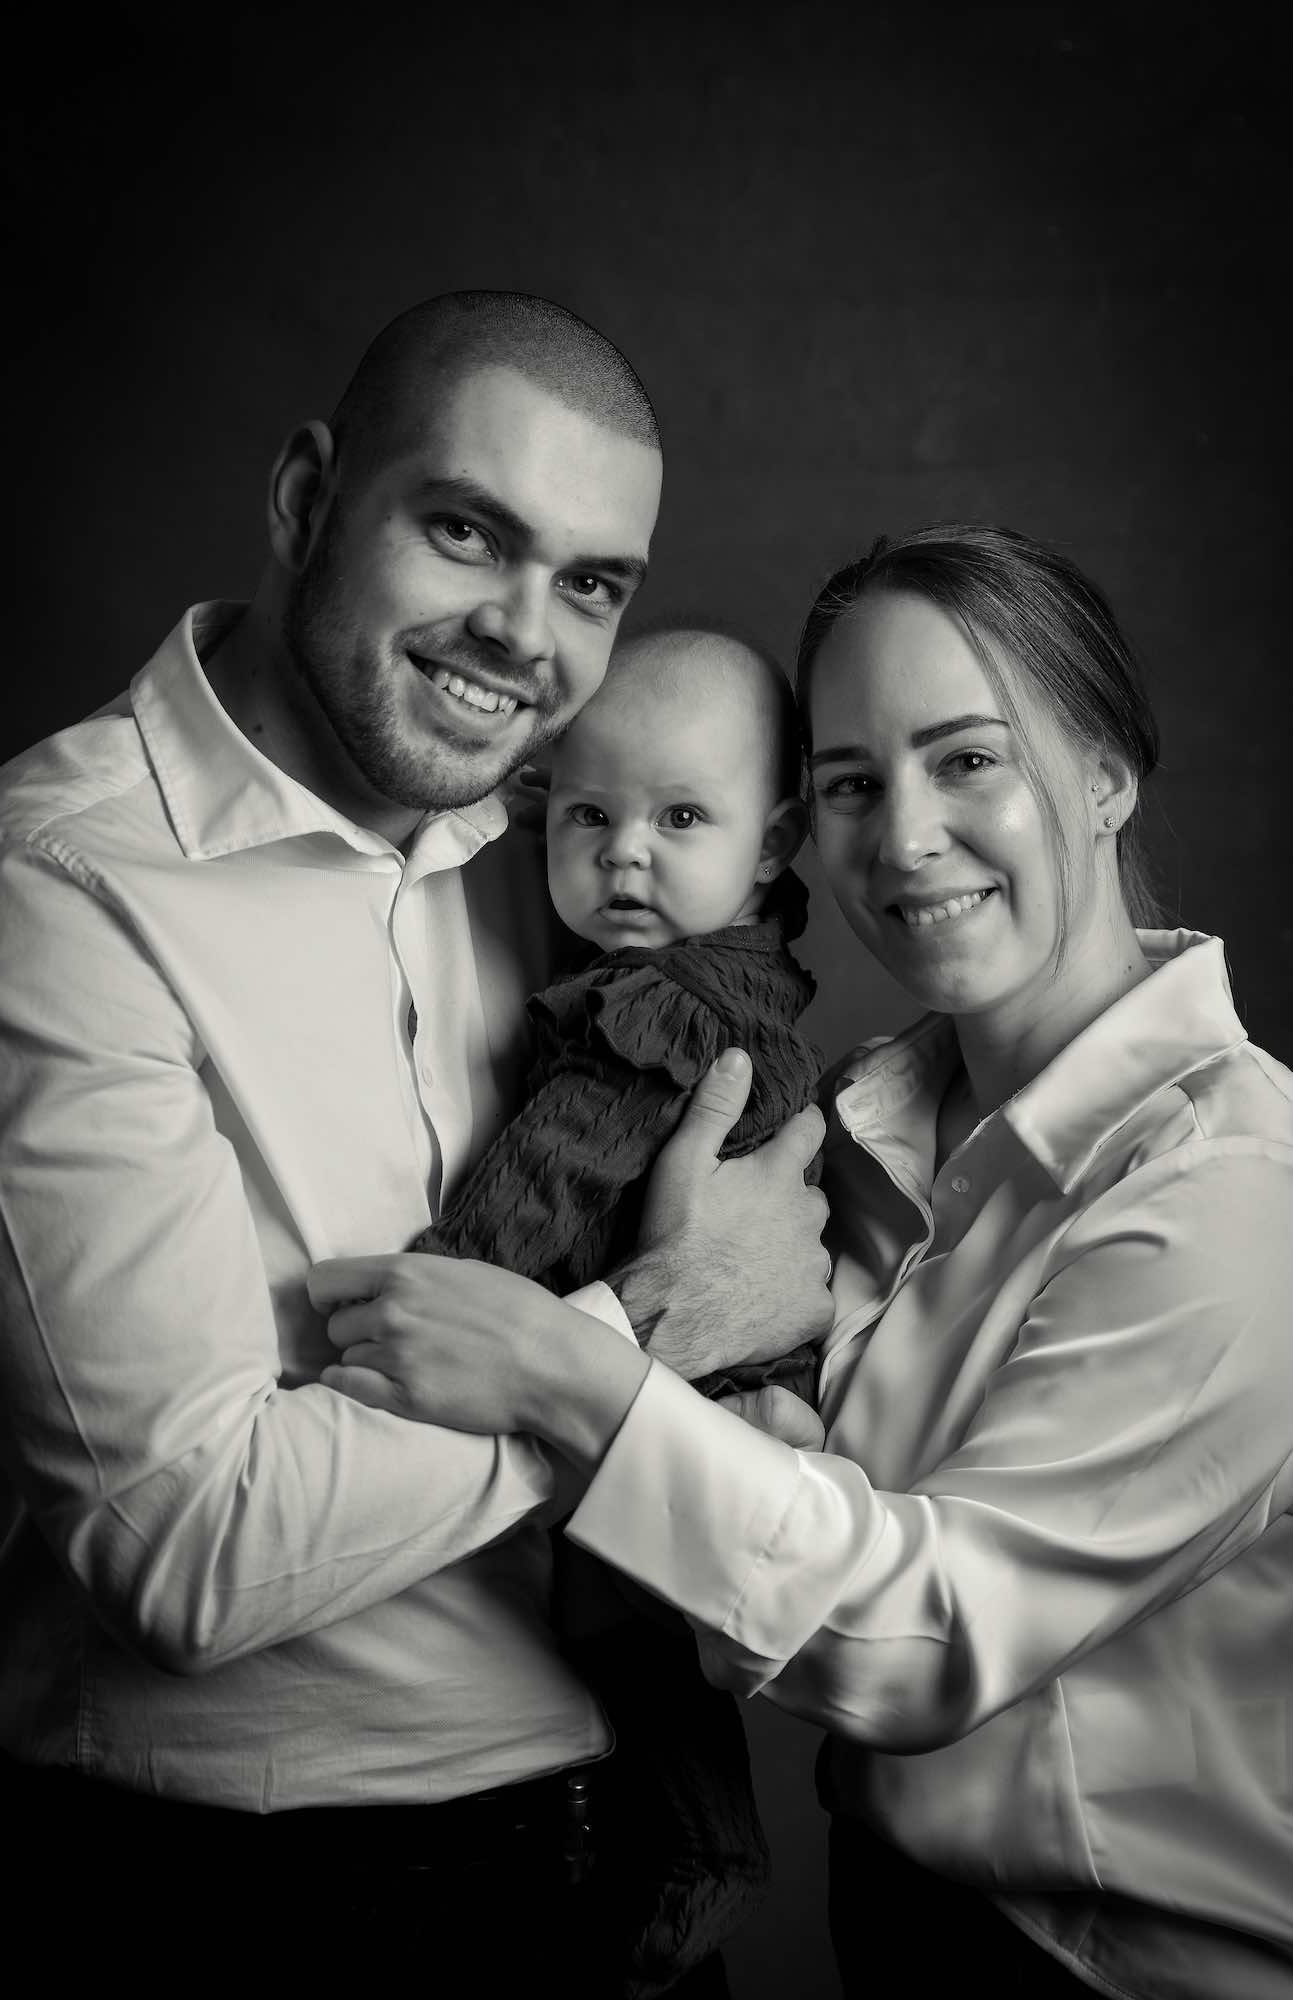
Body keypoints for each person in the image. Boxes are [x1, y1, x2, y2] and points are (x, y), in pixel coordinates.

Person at [0, 291, 832, 1994]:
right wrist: (646, 1333)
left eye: (592, 584)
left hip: (630, 1851)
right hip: (266, 1908)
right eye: (465, 531)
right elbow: (181, 1554)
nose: (523, 635)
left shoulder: (558, 844)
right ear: (307, 500)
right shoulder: (58, 888)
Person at [313, 524, 1293, 1999]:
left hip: (1124, 1973)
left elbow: (918, 1640)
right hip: (895, 1925)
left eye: (969, 761)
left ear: (1105, 775)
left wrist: (571, 1371)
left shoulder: (1233, 1189)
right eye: (851, 783)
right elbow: (786, 1534)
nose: (903, 839)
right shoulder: (847, 1135)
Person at [409, 624, 827, 1988]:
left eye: (680, 819)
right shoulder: (733, 969)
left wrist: (447, 1281)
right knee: (644, 1662)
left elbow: (553, 1174)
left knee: (632, 1651)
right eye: (590, 815)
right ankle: (705, 1854)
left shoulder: (661, 1012)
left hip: (687, 1386)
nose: (625, 854)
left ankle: (704, 1861)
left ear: (771, 844)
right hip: (714, 1376)